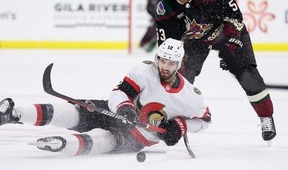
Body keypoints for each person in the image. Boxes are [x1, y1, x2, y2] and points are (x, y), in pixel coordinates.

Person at [0, 38, 211, 156]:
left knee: (103, 140)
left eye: (171, 63)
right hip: (113, 112)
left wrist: (181, 126)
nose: (165, 67)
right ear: (157, 59)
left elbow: (205, 121)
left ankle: (63, 144)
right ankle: (13, 114)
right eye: (163, 61)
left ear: (179, 64)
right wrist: (125, 108)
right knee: (74, 112)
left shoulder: (189, 96)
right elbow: (119, 93)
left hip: (136, 137)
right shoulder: (144, 71)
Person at [154, 0, 276, 142]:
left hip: (226, 32)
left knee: (248, 75)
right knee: (180, 79)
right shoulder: (166, 9)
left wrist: (231, 45)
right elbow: (167, 47)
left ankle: (266, 116)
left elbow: (234, 16)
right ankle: (168, 119)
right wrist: (170, 68)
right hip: (196, 41)